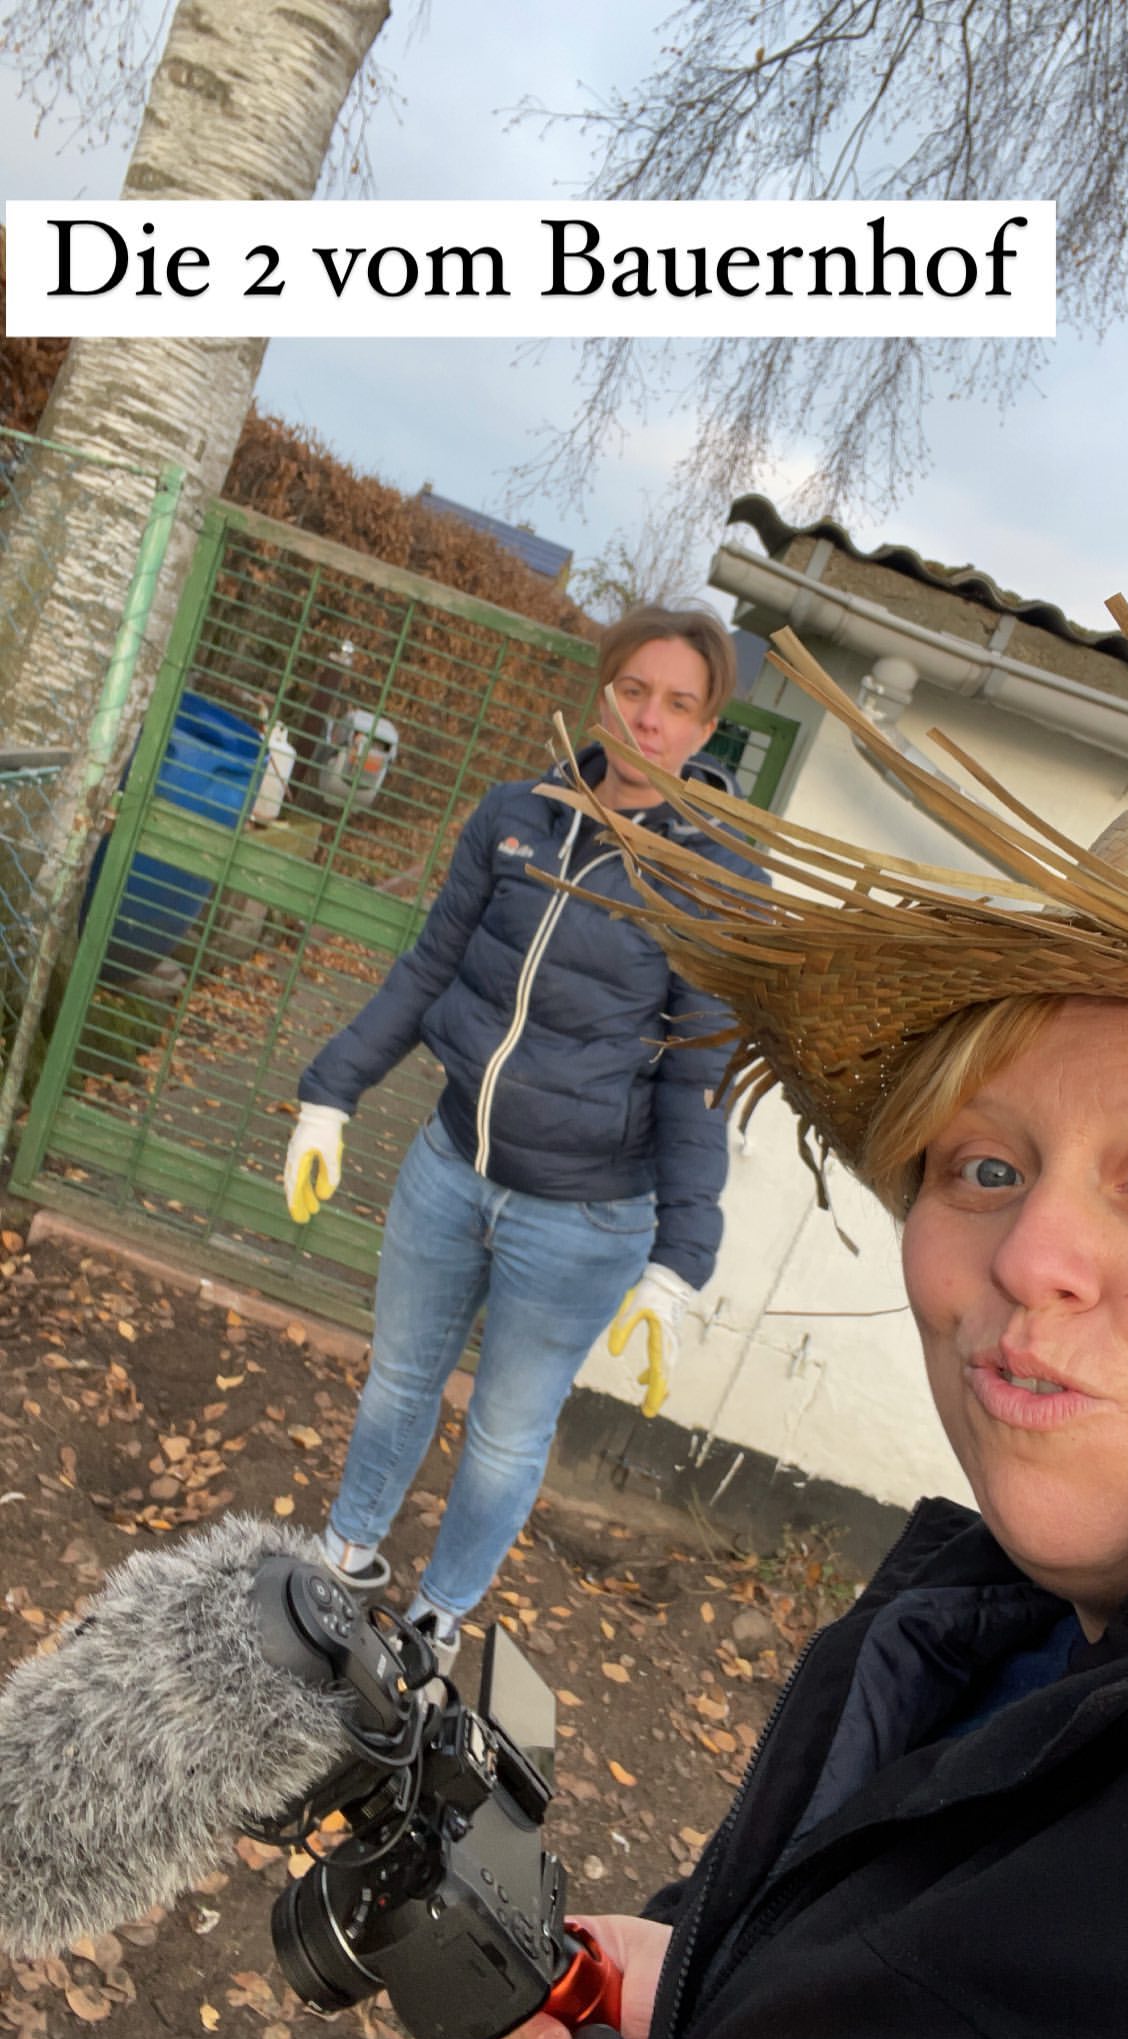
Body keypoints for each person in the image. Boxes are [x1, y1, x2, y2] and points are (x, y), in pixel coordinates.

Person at [491, 614, 1128, 2039]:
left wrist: (673, 1256)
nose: (1029, 1255)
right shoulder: (989, 1621)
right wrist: (706, 1984)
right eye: (984, 1166)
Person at [282, 603, 768, 1672]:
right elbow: (429, 967)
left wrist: (678, 1261)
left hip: (584, 1221)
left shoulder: (714, 878)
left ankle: (435, 1619)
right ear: (602, 693)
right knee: (398, 1381)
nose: (648, 719)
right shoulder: (517, 815)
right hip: (449, 1168)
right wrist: (331, 1091)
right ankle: (347, 1556)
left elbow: (699, 1078)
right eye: (633, 690)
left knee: (506, 1433)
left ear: (707, 727)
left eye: (678, 704)